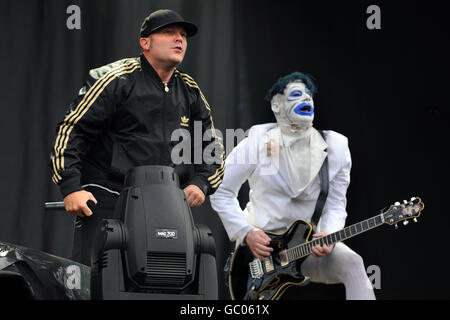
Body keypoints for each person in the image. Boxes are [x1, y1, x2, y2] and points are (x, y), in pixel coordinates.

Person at [50, 9, 224, 266]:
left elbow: (213, 149)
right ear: (145, 43)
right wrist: (71, 187)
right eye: (169, 32)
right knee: (97, 283)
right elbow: (72, 129)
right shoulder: (115, 78)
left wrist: (201, 183)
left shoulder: (190, 91)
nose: (179, 39)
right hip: (108, 198)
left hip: (166, 204)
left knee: (161, 283)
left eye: (184, 35)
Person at [210, 72, 375, 300]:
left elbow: (336, 204)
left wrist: (330, 234)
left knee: (354, 264)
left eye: (309, 96)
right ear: (276, 105)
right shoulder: (257, 142)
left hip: (305, 249)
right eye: (296, 94)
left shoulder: (336, 147)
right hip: (260, 253)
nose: (306, 100)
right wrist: (246, 233)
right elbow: (221, 190)